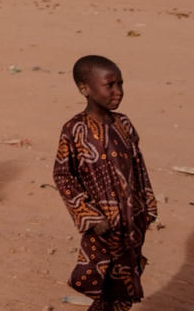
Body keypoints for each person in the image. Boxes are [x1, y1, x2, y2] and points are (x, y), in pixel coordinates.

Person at [53, 55, 156, 311]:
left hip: (132, 222)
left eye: (121, 84)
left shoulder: (124, 124)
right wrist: (89, 215)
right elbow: (63, 175)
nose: (118, 92)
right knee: (103, 285)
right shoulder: (75, 129)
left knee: (123, 291)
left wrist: (148, 207)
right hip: (103, 227)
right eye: (109, 85)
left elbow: (138, 167)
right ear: (85, 89)